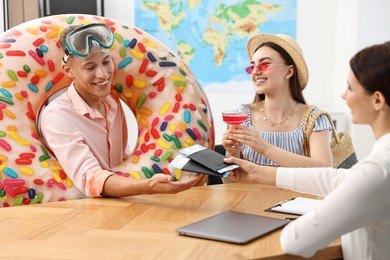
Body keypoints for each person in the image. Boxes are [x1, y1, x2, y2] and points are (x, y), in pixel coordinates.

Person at [224, 41, 390, 259]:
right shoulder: (377, 168)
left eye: (350, 87)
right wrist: (257, 173)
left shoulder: (377, 171)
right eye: (252, 65)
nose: (343, 95)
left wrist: (264, 150)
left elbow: (295, 240)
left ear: (377, 99)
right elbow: (339, 178)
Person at [40, 23, 200, 198]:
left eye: (106, 62)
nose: (102, 74)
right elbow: (90, 177)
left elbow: (119, 161)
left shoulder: (113, 103)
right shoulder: (57, 116)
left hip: (124, 204)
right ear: (69, 71)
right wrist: (146, 186)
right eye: (90, 67)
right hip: (79, 210)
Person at [222, 34, 333, 167]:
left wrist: (265, 148)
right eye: (252, 66)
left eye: (264, 64)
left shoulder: (314, 119)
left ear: (289, 71)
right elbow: (229, 183)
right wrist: (232, 152)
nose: (255, 72)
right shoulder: (241, 116)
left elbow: (325, 170)